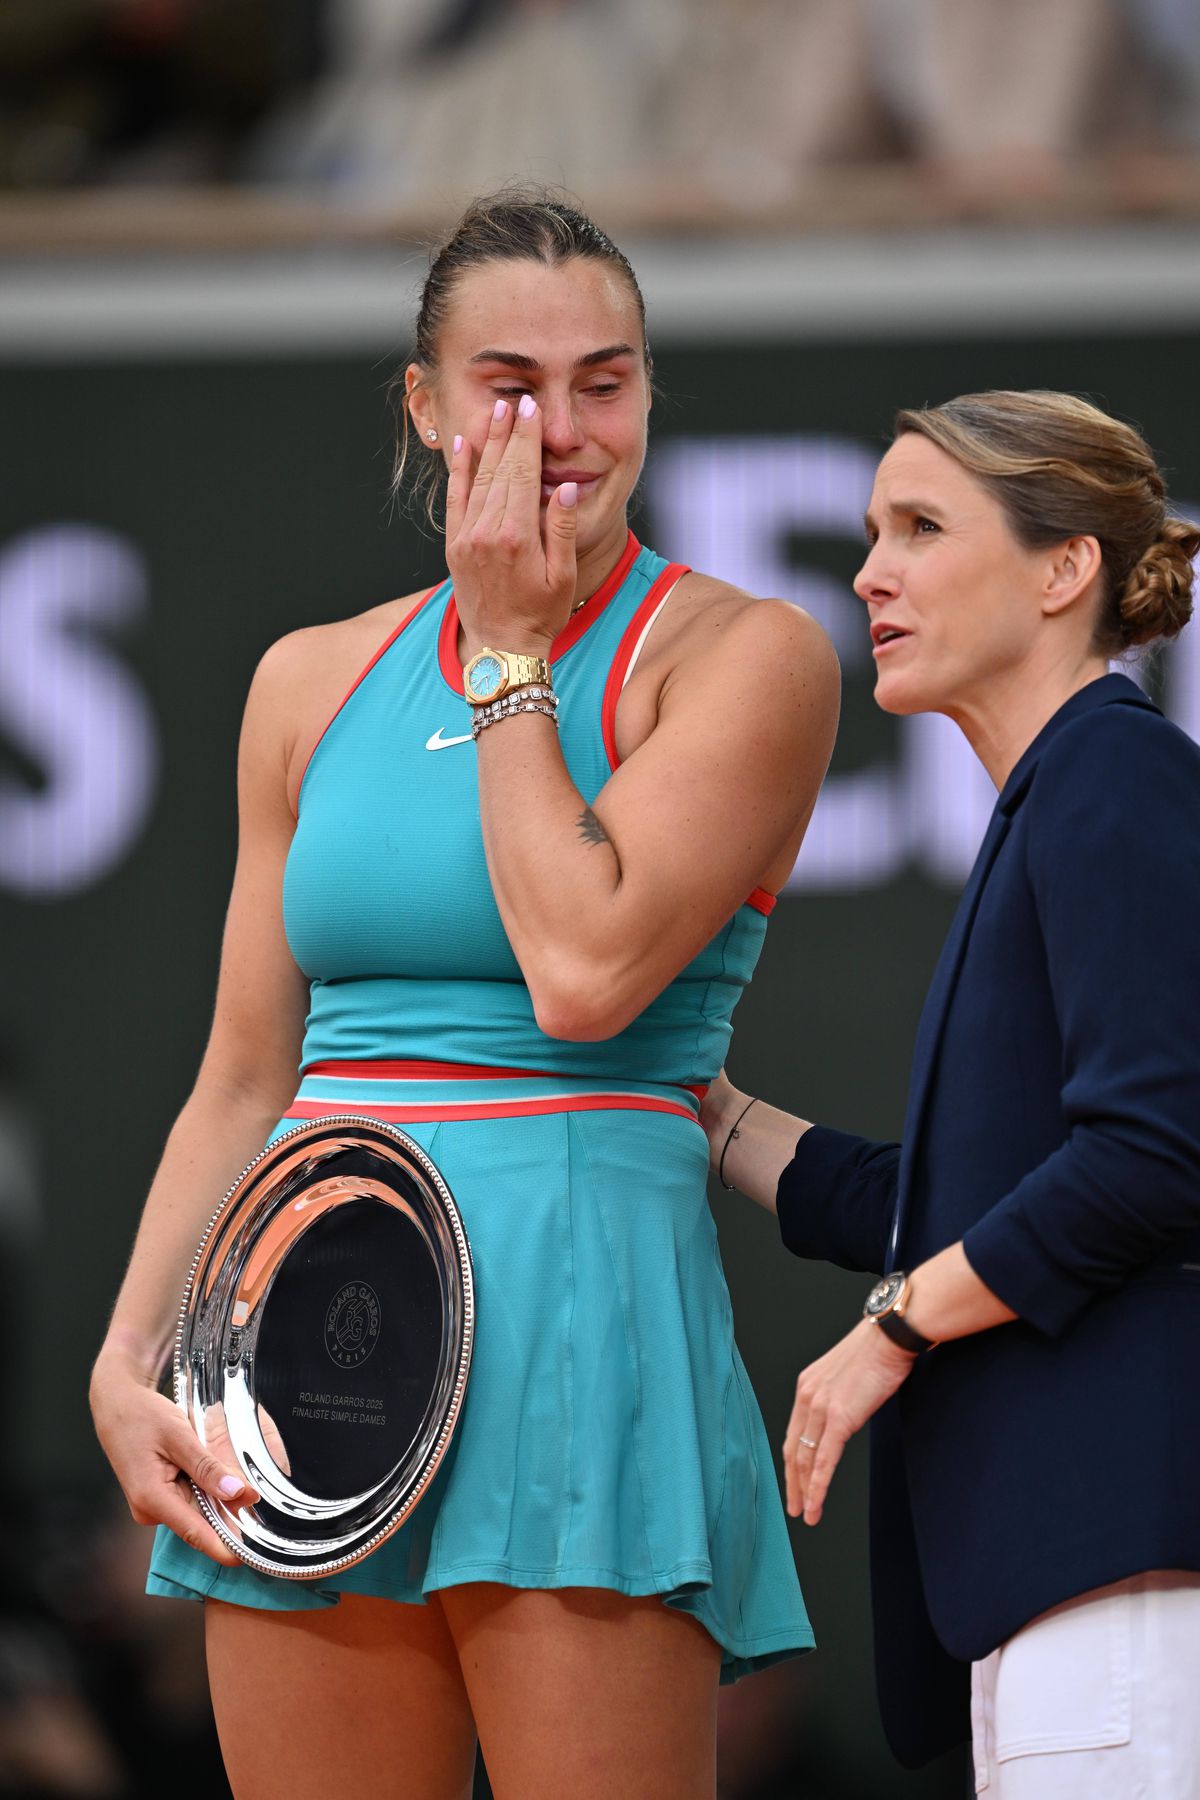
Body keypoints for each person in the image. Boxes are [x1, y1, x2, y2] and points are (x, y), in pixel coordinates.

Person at [88, 191, 838, 1800]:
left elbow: (583, 974)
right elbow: (243, 1073)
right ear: (423, 408)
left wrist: (508, 652)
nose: (560, 428)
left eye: (606, 381)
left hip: (581, 1314)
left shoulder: (742, 655)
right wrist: (134, 1350)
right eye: (510, 382)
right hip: (297, 1331)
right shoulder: (309, 677)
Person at [704, 390, 1200, 1795]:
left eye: (921, 526)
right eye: (872, 532)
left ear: (1064, 571)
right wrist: (710, 1115)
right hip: (1064, 1585)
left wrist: (894, 1328)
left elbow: (1156, 1157)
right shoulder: (1067, 793)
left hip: (1124, 1574)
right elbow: (958, 1200)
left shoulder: (1116, 777)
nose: (871, 571)